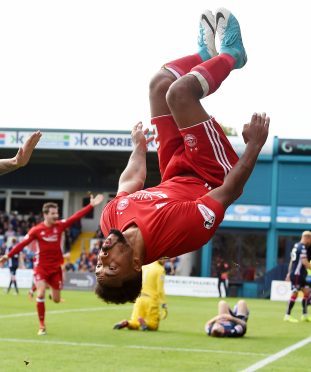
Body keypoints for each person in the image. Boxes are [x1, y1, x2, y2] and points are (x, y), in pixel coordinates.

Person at [95, 7, 270, 304]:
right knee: (179, 94)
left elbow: (131, 180)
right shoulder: (181, 235)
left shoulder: (110, 219)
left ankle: (204, 54)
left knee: (157, 86)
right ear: (137, 266)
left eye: (99, 264)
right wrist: (254, 146)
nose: (103, 255)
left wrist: (138, 148)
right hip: (210, 172)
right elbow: (229, 191)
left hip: (173, 166)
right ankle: (232, 55)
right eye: (111, 266)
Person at [0, 194, 104, 335]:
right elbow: (22, 244)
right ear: (45, 215)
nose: (56, 215)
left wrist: (91, 206)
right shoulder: (36, 230)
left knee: (56, 300)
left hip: (56, 268)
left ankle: (49, 294)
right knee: (41, 292)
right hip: (41, 267)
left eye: (57, 213)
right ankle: (42, 326)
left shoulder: (59, 226)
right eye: (53, 213)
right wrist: (7, 255)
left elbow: (75, 217)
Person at [112, 259, 167, 331]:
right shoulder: (160, 270)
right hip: (151, 300)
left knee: (135, 322)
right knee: (154, 326)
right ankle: (144, 324)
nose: (165, 261)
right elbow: (160, 290)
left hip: (139, 298)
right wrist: (163, 303)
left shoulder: (144, 267)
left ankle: (127, 323)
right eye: (165, 259)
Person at [284, 231, 311, 322]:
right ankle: (287, 315)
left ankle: (305, 315)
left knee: (307, 291)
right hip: (297, 275)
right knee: (295, 293)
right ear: (307, 238)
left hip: (298, 274)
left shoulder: (296, 246)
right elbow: (305, 263)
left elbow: (292, 261)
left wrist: (288, 273)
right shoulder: (302, 247)